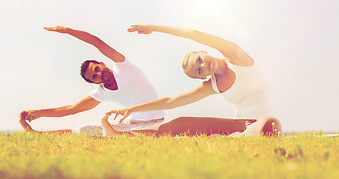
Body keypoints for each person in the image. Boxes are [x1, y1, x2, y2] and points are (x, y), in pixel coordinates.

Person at [108, 24, 282, 137]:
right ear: (202, 77)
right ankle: (123, 135)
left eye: (199, 60)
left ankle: (242, 137)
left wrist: (154, 28)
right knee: (180, 123)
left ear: (203, 52)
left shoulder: (235, 56)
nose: (204, 64)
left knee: (269, 124)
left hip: (263, 122)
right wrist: (131, 109)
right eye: (200, 70)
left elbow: (193, 33)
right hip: (239, 124)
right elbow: (171, 102)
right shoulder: (211, 85)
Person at [20, 26, 165, 134]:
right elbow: (71, 110)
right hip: (129, 124)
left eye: (96, 69)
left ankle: (117, 134)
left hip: (155, 123)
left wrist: (67, 31)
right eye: (94, 77)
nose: (98, 74)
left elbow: (97, 42)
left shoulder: (123, 66)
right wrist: (38, 113)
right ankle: (37, 134)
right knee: (84, 130)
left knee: (130, 136)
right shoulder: (102, 92)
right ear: (95, 82)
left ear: (101, 64)